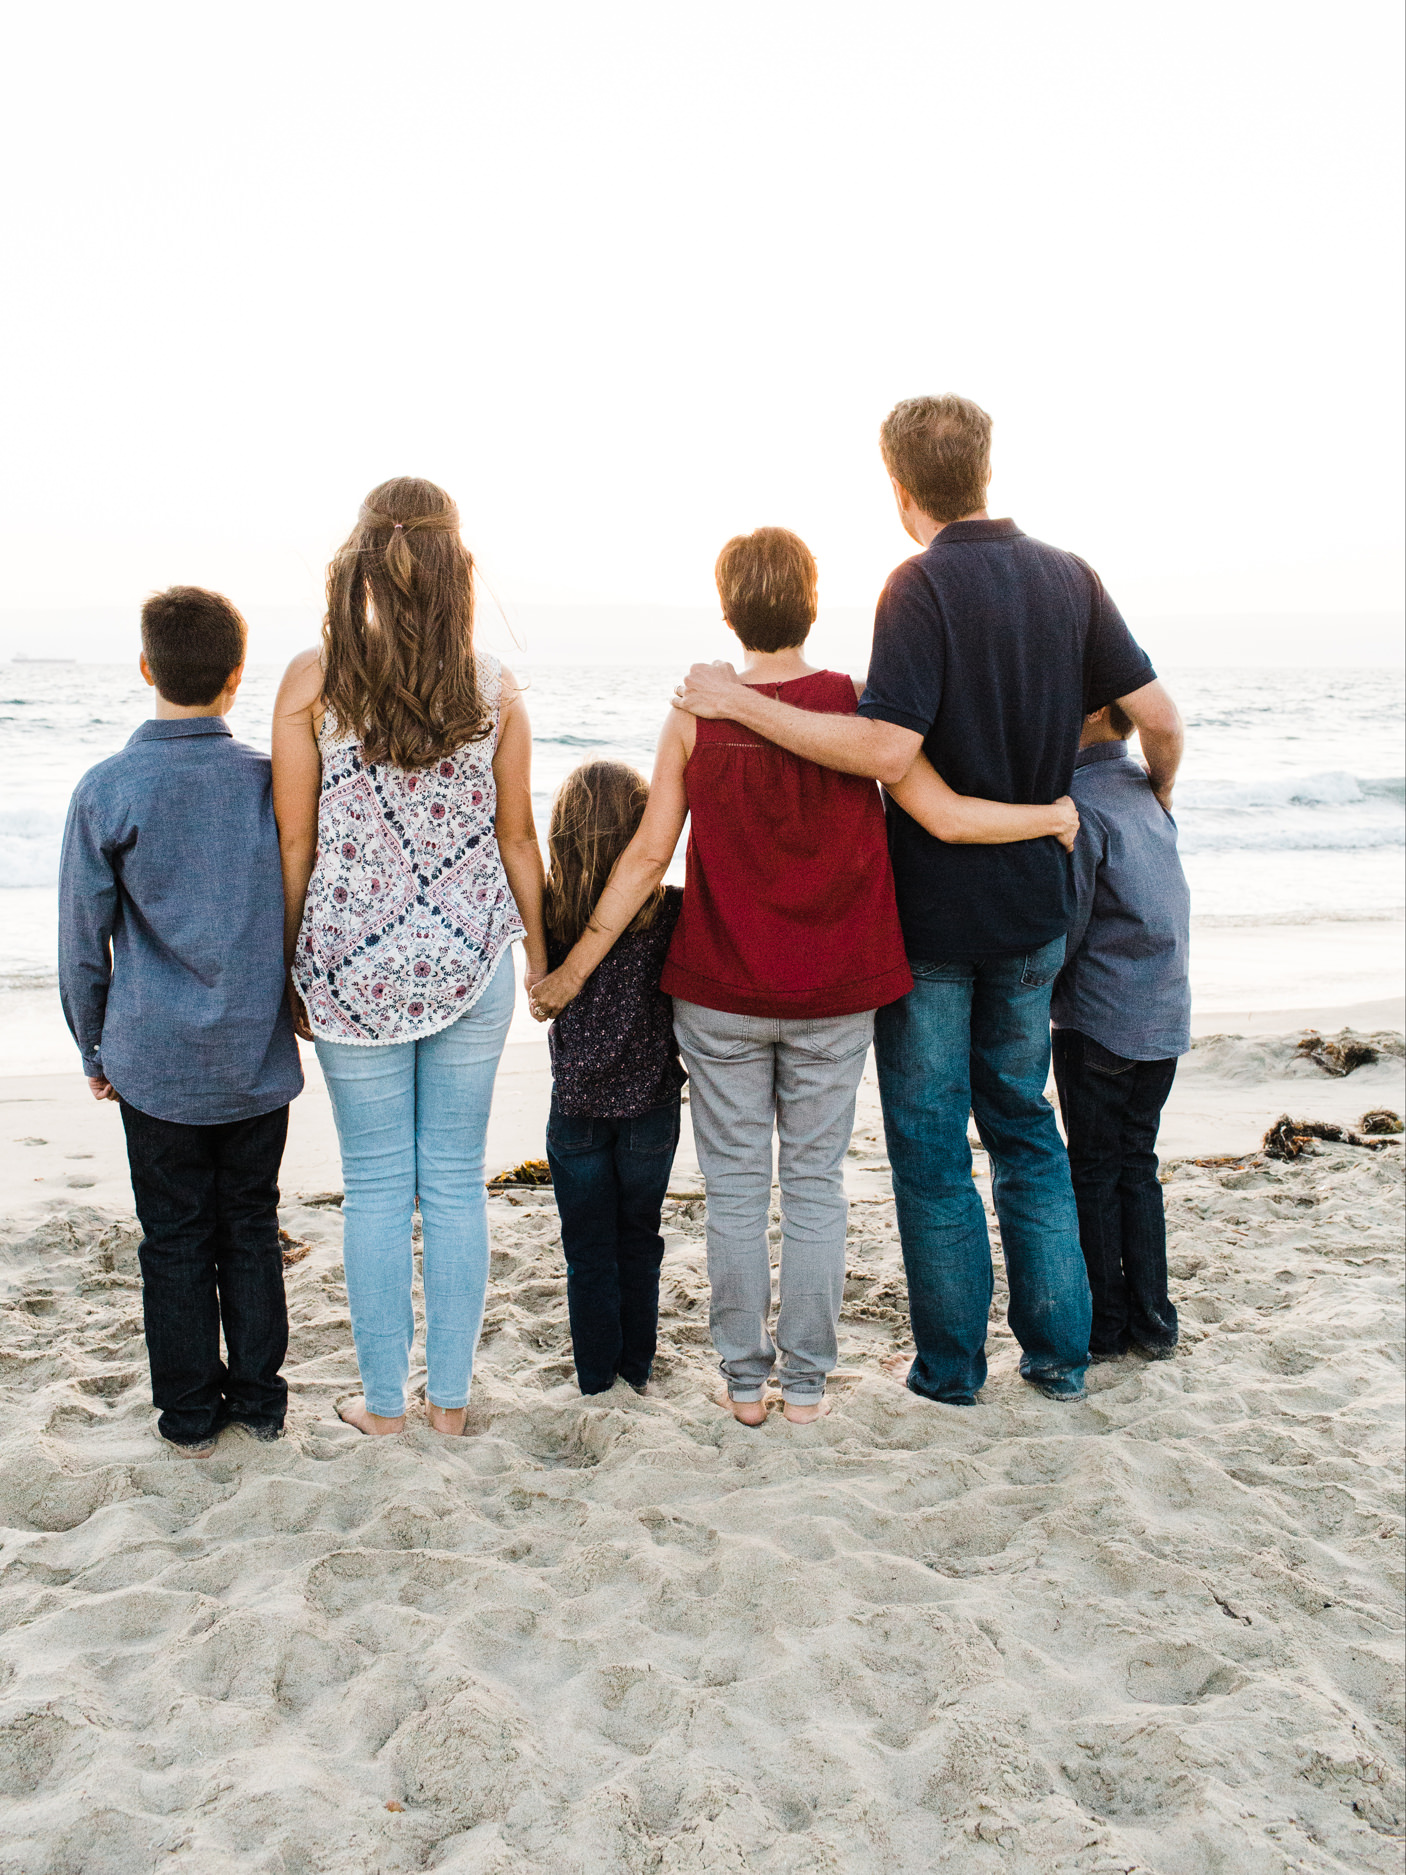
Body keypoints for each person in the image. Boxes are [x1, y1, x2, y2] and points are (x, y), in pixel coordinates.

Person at [674, 396, 1185, 1407]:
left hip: (938, 919)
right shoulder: (1069, 575)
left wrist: (734, 702)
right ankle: (1057, 1360)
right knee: (1027, 1131)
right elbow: (1159, 719)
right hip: (1035, 911)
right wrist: (1144, 795)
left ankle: (951, 1371)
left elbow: (885, 750)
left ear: (896, 485)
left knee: (930, 1148)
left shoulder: (916, 585)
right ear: (986, 469)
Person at [531, 527, 1077, 1424]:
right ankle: (808, 1388)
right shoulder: (857, 709)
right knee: (816, 1186)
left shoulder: (696, 712)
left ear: (728, 611)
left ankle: (745, 1385)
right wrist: (1047, 813)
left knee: (739, 1190)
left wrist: (570, 972)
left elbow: (641, 862)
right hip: (833, 994)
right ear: (813, 605)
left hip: (718, 995)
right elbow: (938, 815)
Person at [272, 477, 547, 1439]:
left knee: (380, 1185)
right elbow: (518, 840)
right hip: (469, 964)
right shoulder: (494, 686)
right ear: (454, 567)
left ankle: (382, 1408)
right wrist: (545, 960)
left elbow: (294, 845)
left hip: (352, 971)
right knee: (456, 1181)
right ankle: (452, 1406)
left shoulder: (312, 680)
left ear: (359, 564)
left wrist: (282, 964)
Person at [58, 586, 304, 1457]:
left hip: (153, 1059)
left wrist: (92, 1043)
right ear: (238, 677)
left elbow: (83, 945)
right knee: (249, 1223)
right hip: (251, 1055)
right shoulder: (269, 784)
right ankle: (261, 1401)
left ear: (144, 668)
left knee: (172, 1236)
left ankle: (190, 1412)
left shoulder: (107, 789)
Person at [1051, 700, 1190, 1361]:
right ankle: (1154, 1321)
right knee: (1138, 1166)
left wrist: (1033, 992)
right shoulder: (1145, 790)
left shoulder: (1081, 798)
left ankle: (1105, 1326)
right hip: (1163, 1017)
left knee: (1095, 1171)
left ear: (1096, 708)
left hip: (1101, 1022)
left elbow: (1069, 925)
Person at [541, 760, 686, 1395]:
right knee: (640, 1239)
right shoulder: (669, 911)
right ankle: (638, 1368)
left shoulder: (550, 911)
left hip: (575, 1107)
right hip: (651, 1105)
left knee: (587, 1251)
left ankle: (597, 1376)